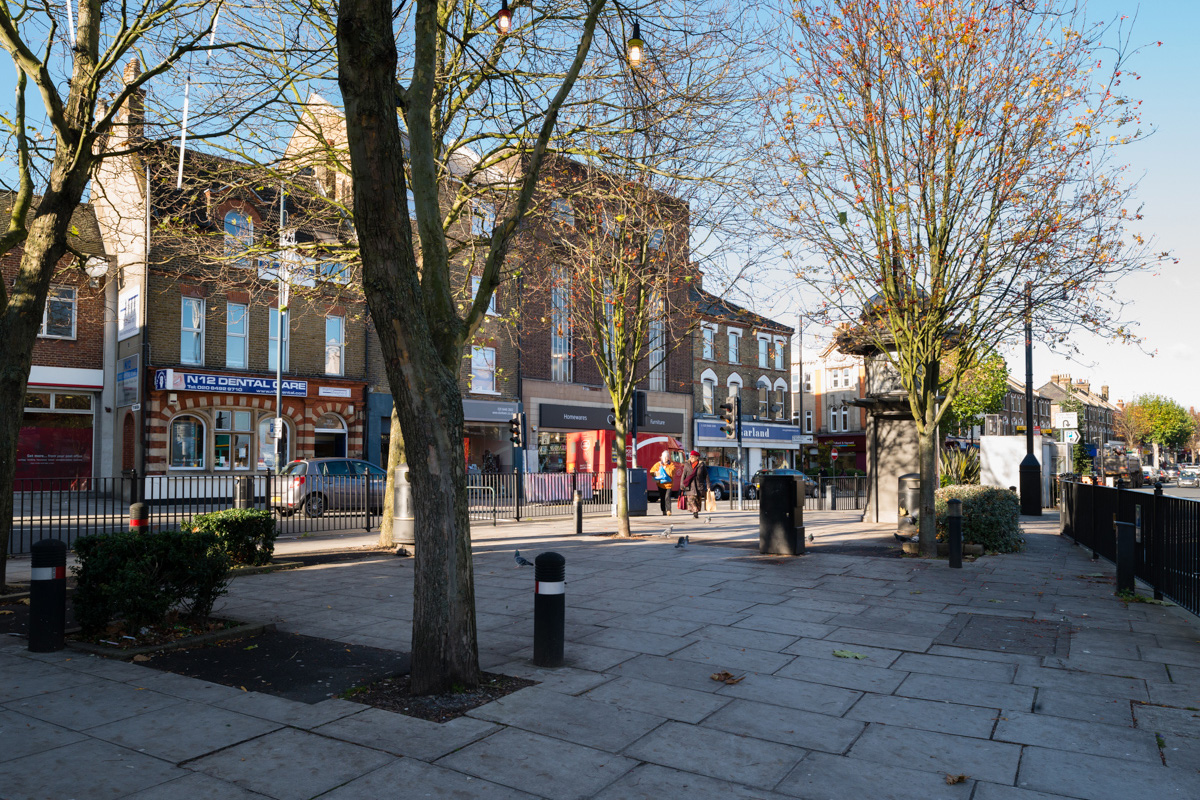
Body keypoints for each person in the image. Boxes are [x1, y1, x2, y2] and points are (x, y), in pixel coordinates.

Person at [678, 450, 709, 519]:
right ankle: (695, 511)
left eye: (692, 457)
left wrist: (708, 486)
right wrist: (681, 485)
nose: (691, 458)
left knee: (697, 500)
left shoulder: (701, 465)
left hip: (699, 485)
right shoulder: (687, 464)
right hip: (690, 485)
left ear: (697, 458)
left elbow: (706, 476)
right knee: (691, 499)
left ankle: (696, 512)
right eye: (690, 457)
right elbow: (684, 475)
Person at [654, 450, 677, 516]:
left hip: (669, 484)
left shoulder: (671, 464)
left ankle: (669, 510)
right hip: (660, 484)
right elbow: (652, 471)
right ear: (662, 457)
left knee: (667, 497)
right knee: (662, 497)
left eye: (667, 457)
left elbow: (672, 472)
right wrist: (656, 473)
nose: (667, 458)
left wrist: (664, 470)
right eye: (665, 457)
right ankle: (663, 510)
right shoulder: (658, 464)